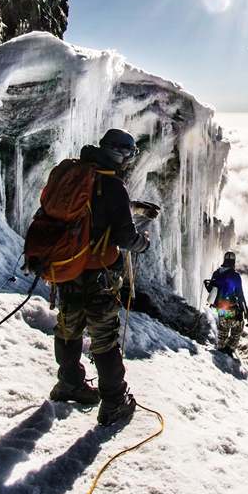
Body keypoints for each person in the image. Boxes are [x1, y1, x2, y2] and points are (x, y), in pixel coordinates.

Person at [50, 128, 152, 426]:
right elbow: (125, 236)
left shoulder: (79, 175)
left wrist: (132, 208)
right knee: (104, 338)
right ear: (121, 154)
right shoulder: (111, 185)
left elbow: (93, 212)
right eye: (130, 154)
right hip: (99, 274)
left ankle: (69, 384)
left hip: (67, 267)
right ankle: (114, 401)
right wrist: (142, 242)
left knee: (68, 327)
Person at [206, 251, 248, 357]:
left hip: (220, 307)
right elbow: (240, 294)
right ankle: (229, 349)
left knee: (223, 328)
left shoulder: (216, 273)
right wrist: (245, 309)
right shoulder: (235, 276)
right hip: (231, 307)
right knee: (237, 327)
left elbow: (211, 290)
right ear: (233, 262)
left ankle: (221, 348)